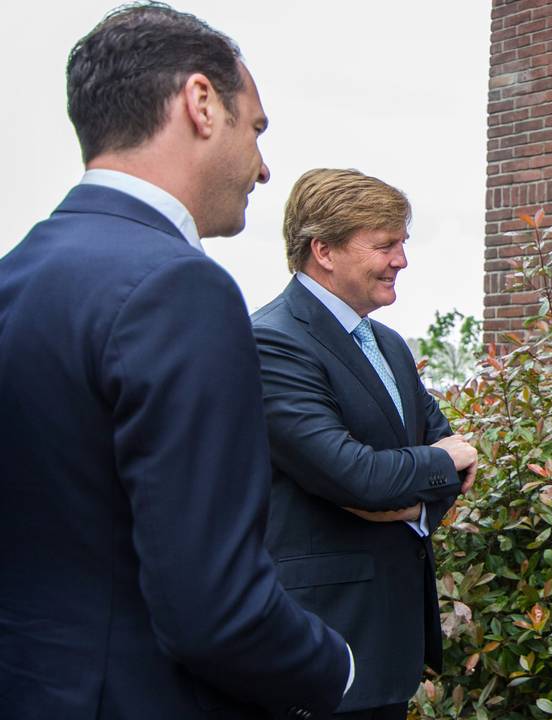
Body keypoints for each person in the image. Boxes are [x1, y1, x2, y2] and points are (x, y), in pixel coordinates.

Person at [0, 5, 351, 718]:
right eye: (255, 128)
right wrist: (334, 667)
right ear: (200, 103)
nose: (263, 167)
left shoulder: (17, 274)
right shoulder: (178, 287)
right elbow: (214, 610)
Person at [251, 168, 478, 720]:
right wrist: (397, 480)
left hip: (388, 644)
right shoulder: (272, 341)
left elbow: (456, 454)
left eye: (403, 243)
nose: (402, 260)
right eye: (385, 245)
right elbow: (354, 475)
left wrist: (402, 499)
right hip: (322, 636)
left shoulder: (390, 345)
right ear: (323, 249)